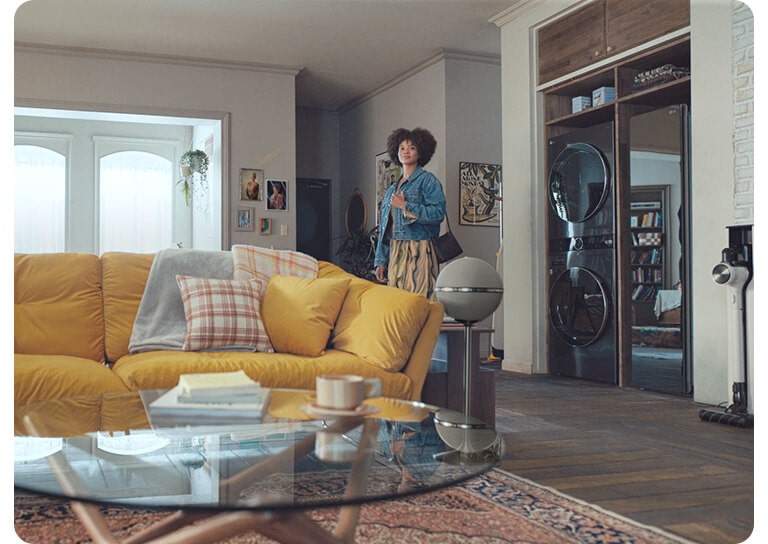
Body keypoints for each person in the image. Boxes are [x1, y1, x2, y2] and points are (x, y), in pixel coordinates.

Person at [374, 127, 446, 299]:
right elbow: (386, 229)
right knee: (397, 305)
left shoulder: (428, 181)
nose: (406, 152)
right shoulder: (391, 189)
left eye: (411, 148)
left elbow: (438, 213)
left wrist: (406, 205)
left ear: (420, 152)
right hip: (396, 251)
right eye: (402, 148)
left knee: (420, 302)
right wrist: (381, 261)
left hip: (420, 249)